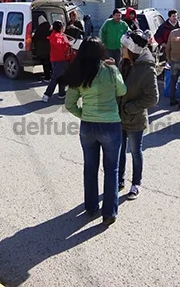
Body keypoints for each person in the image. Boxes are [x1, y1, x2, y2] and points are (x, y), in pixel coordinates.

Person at [64, 37, 127, 227]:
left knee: (90, 167)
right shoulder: (110, 70)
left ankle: (91, 207)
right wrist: (115, 69)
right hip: (111, 125)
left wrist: (84, 114)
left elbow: (69, 104)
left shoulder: (78, 73)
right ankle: (109, 213)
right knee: (112, 170)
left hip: (88, 125)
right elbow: (122, 91)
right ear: (101, 52)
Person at [117, 30, 159, 199]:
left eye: (124, 47)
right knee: (119, 151)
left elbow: (153, 98)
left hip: (134, 118)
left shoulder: (147, 69)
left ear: (132, 50)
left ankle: (136, 183)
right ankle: (119, 180)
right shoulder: (124, 62)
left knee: (135, 151)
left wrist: (130, 107)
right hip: (118, 117)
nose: (121, 49)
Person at [43, 21, 71, 103]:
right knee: (56, 77)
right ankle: (47, 94)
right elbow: (60, 44)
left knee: (61, 76)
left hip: (58, 59)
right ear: (60, 28)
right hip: (59, 59)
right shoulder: (56, 36)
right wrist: (67, 44)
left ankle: (61, 94)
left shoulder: (57, 35)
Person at [33, 15, 52, 81]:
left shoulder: (39, 29)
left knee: (45, 64)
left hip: (41, 50)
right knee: (50, 63)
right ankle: (52, 75)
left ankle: (47, 77)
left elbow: (35, 39)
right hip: (49, 49)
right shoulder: (50, 27)